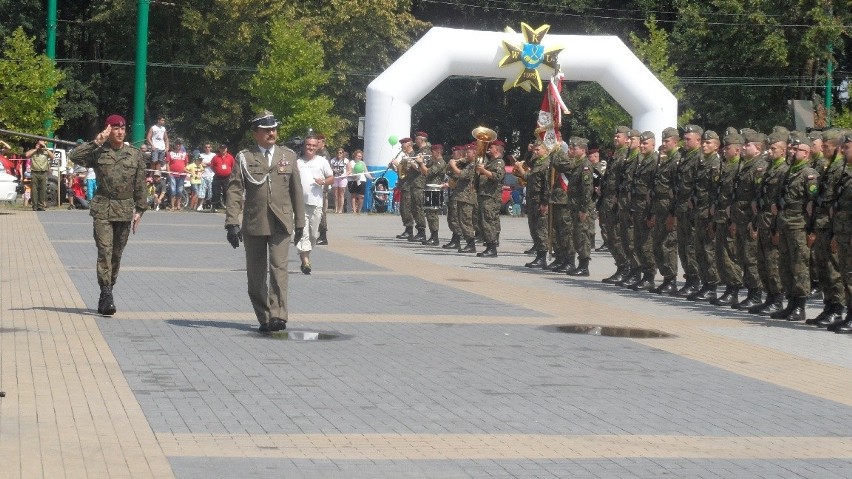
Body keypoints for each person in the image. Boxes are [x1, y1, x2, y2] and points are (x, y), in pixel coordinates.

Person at [225, 110, 305, 333]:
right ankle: (265, 316)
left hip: (281, 221)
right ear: (255, 134)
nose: (271, 133)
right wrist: (232, 222)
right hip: (255, 221)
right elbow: (234, 191)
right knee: (256, 273)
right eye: (266, 130)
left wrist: (300, 223)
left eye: (273, 129)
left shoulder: (288, 156)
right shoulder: (245, 157)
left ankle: (279, 314)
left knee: (279, 268)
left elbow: (296, 190)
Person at [69, 114, 147, 316]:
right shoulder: (98, 152)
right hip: (103, 207)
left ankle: (109, 288)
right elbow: (74, 157)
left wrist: (140, 210)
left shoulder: (134, 154)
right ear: (107, 130)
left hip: (124, 208)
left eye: (122, 128)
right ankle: (105, 294)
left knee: (116, 254)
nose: (120, 132)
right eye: (115, 128)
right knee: (105, 250)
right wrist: (97, 141)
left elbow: (140, 184)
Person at [296, 135, 334, 274]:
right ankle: (305, 261)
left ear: (317, 147)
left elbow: (331, 178)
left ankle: (306, 254)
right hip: (299, 204)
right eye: (308, 145)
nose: (311, 147)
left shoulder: (322, 161)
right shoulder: (298, 162)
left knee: (313, 235)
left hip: (316, 203)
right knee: (302, 233)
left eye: (313, 145)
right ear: (304, 146)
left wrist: (323, 182)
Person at [517, 141, 550, 268]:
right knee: (533, 227)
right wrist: (528, 151)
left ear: (546, 150)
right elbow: (528, 162)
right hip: (532, 199)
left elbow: (546, 186)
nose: (535, 152)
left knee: (541, 228)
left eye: (538, 150)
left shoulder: (546, 164)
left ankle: (542, 257)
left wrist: (544, 202)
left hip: (539, 201)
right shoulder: (537, 162)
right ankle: (538, 254)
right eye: (534, 150)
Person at [421, 143, 446, 244]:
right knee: (429, 213)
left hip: (435, 189)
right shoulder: (433, 162)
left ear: (438, 152)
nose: (431, 154)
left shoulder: (440, 163)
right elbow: (423, 171)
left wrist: (421, 163)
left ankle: (434, 236)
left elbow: (428, 172)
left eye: (433, 152)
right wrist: (420, 163)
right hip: (429, 188)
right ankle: (432, 235)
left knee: (432, 214)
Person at [25, 140, 52, 211]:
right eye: (40, 144)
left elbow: (53, 157)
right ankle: (35, 205)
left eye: (42, 145)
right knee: (34, 190)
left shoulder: (46, 151)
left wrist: (46, 148)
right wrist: (36, 149)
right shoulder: (33, 151)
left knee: (42, 190)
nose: (41, 146)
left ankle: (41, 205)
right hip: (34, 172)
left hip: (43, 173)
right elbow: (27, 155)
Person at [210, 144, 234, 211]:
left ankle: (228, 207)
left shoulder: (230, 157)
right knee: (215, 192)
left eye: (224, 148)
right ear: (219, 149)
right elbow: (212, 166)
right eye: (221, 148)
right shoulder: (216, 157)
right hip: (217, 177)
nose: (223, 150)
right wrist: (217, 171)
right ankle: (214, 207)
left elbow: (233, 166)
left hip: (227, 177)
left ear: (226, 149)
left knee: (227, 191)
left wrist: (230, 173)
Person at [165, 139, 188, 211]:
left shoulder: (184, 154)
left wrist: (186, 172)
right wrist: (168, 172)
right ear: (174, 145)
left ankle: (178, 205)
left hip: (182, 175)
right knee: (173, 190)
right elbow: (167, 164)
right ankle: (172, 206)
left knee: (180, 191)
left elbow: (186, 164)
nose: (178, 145)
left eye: (179, 144)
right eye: (177, 144)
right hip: (172, 175)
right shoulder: (170, 153)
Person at [348, 149, 371, 214]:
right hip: (353, 180)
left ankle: (359, 210)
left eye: (360, 156)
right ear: (355, 156)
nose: (359, 157)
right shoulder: (351, 163)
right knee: (353, 195)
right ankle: (354, 210)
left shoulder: (362, 163)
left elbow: (366, 172)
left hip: (362, 180)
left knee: (361, 196)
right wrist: (352, 176)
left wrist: (371, 177)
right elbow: (348, 172)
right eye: (358, 156)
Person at [330, 148, 349, 214]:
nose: (339, 154)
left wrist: (346, 174)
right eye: (338, 153)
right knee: (335, 194)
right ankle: (336, 208)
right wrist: (333, 170)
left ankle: (340, 209)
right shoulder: (333, 160)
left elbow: (349, 170)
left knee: (341, 194)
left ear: (343, 153)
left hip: (342, 178)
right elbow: (330, 168)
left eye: (340, 153)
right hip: (335, 178)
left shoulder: (346, 160)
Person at [199, 143, 215, 210]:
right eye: (206, 147)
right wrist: (208, 164)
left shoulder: (214, 155)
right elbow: (199, 163)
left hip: (212, 175)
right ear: (204, 148)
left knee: (211, 191)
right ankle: (200, 205)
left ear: (211, 148)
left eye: (208, 147)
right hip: (203, 175)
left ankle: (212, 205)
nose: (207, 148)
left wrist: (206, 164)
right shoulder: (201, 155)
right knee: (202, 191)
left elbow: (213, 163)